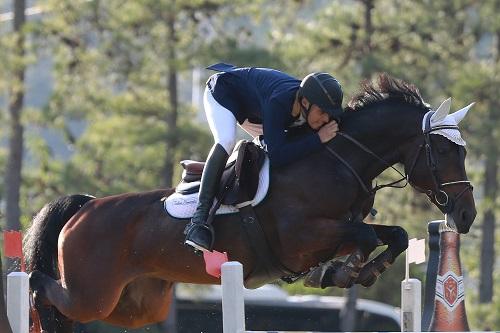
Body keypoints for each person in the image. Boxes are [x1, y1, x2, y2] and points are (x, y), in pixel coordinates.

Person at [184, 63, 343, 253]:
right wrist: (318, 139)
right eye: (323, 112)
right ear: (306, 103)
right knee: (226, 140)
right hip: (223, 93)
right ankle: (199, 220)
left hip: (255, 108)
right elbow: (277, 156)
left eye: (329, 114)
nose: (325, 119)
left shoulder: (305, 102)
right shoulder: (280, 101)